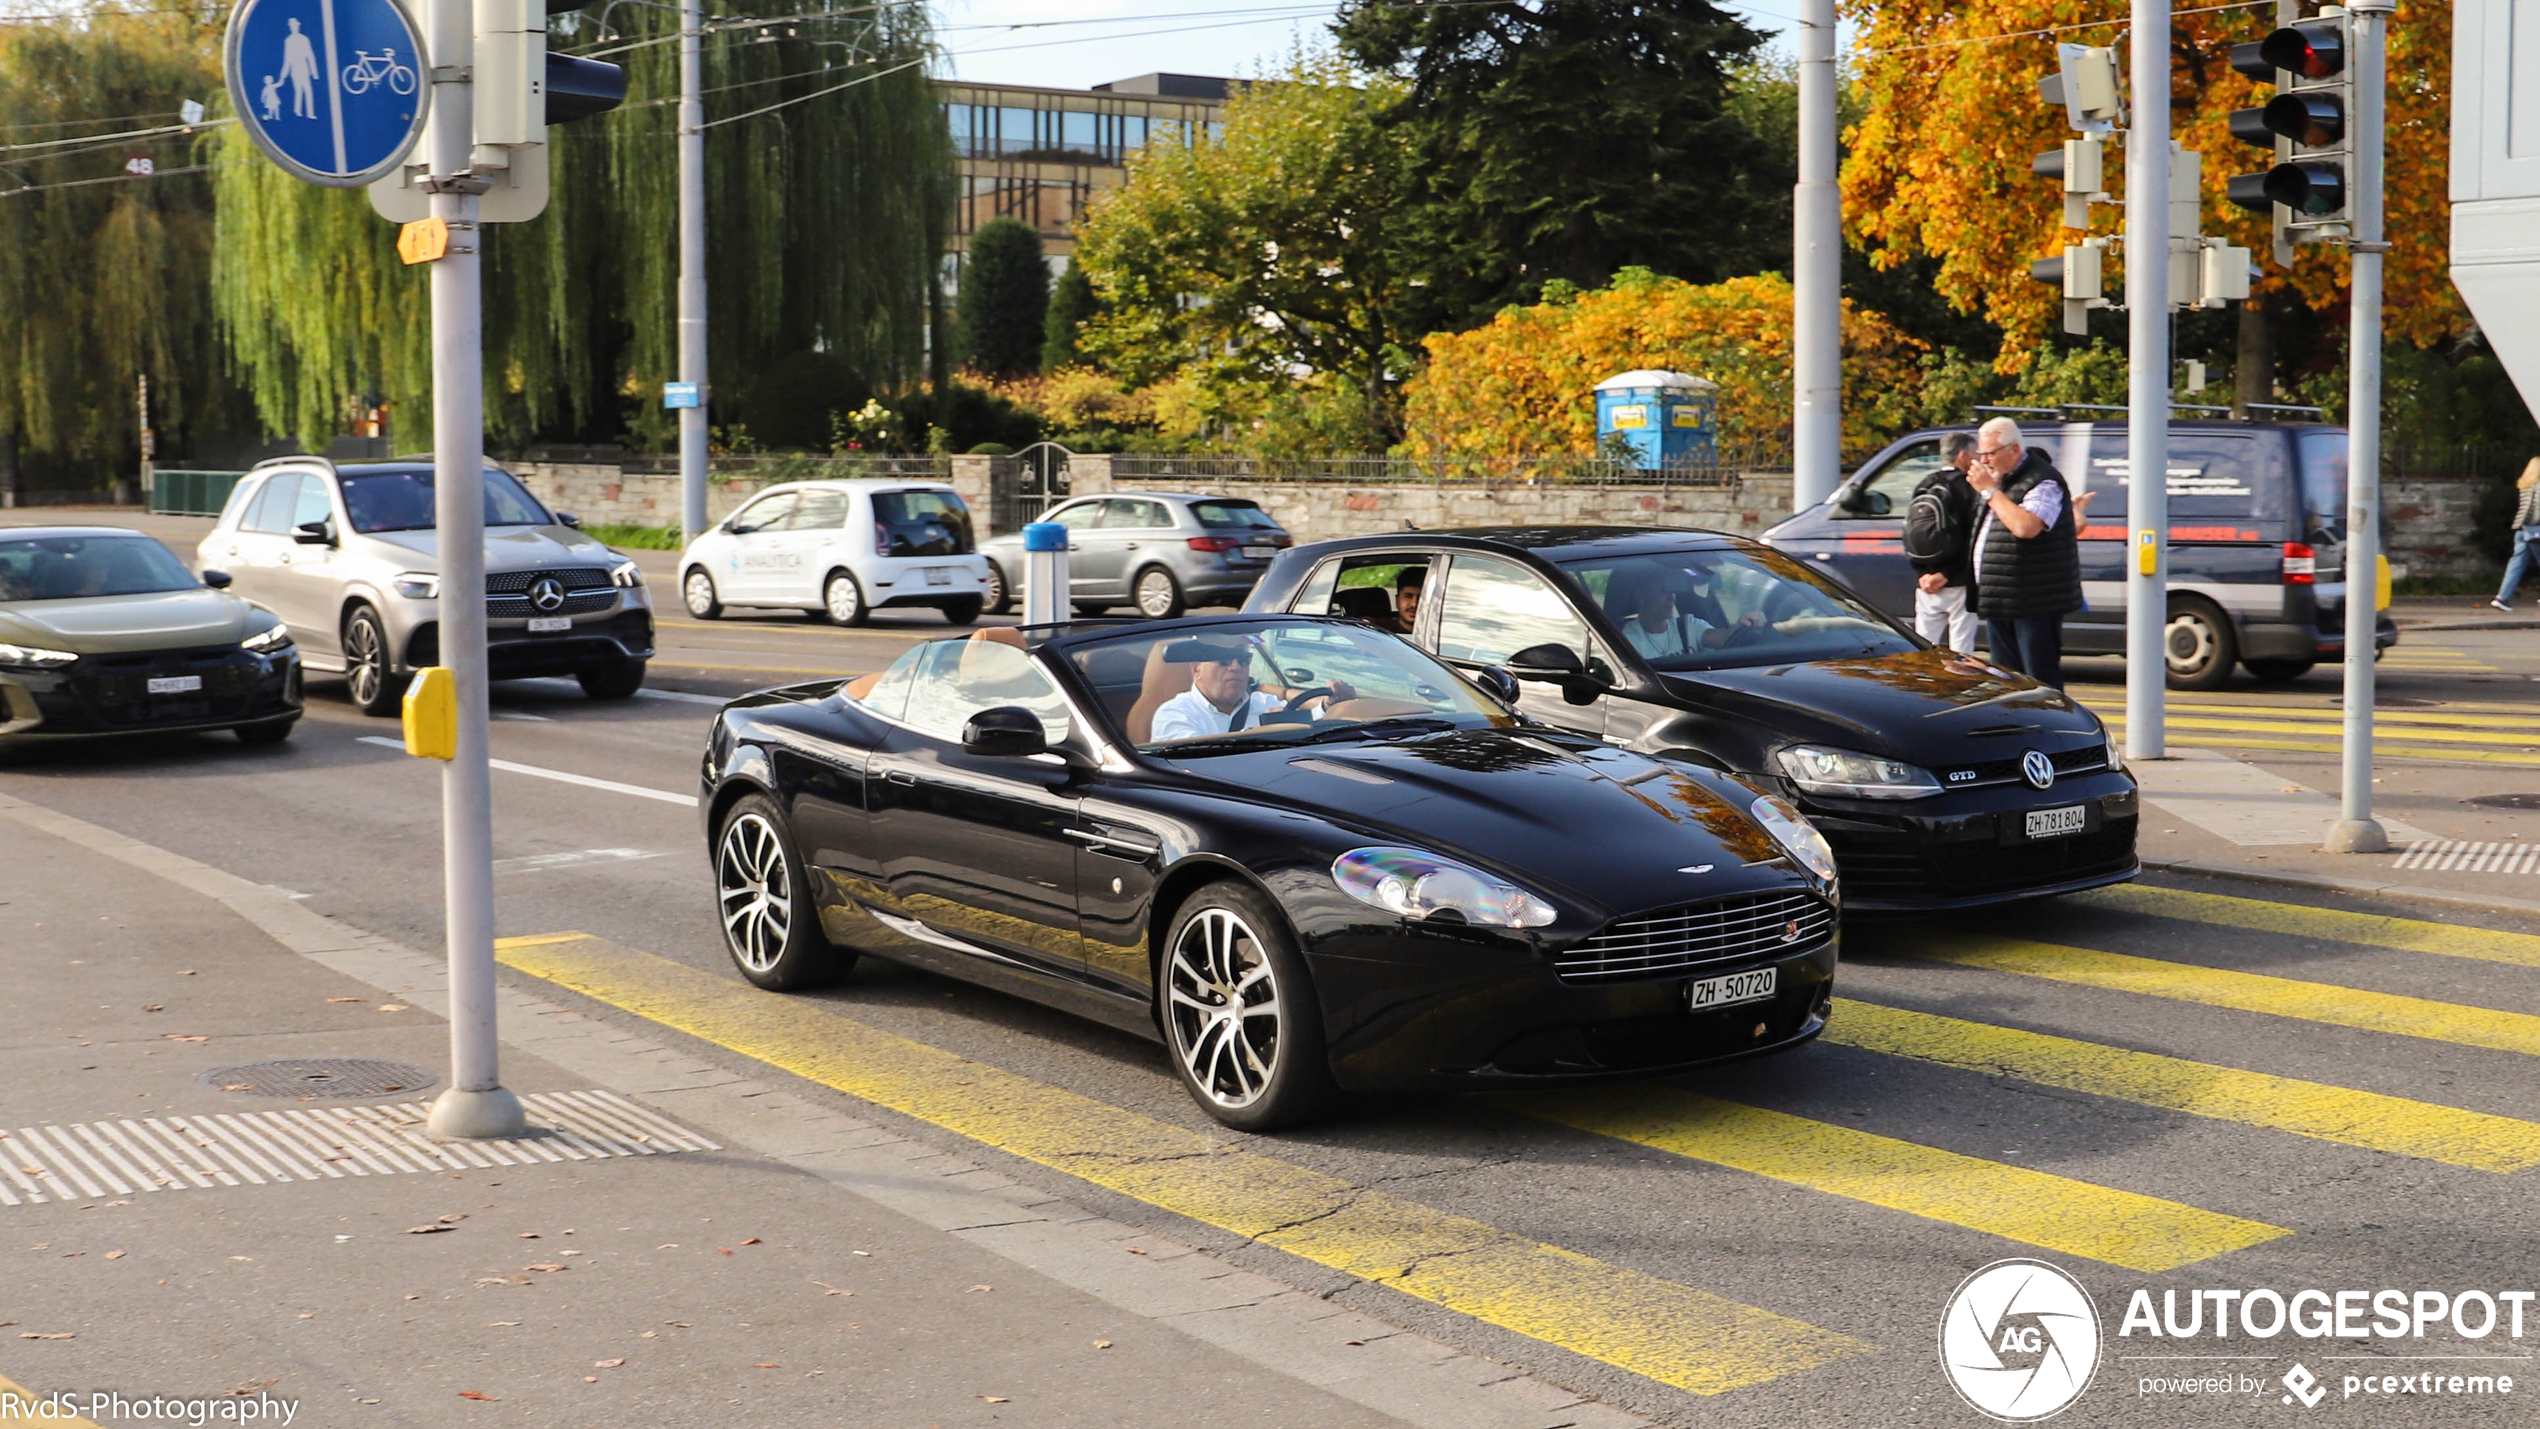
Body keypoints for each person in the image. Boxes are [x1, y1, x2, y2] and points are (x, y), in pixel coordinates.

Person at [1967, 415, 2082, 689]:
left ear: (2014, 449)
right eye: (1981, 454)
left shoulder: (2042, 481)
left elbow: (2025, 527)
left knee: (2038, 680)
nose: (1984, 461)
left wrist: (1990, 492)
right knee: (2008, 681)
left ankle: (2052, 729)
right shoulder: (2004, 482)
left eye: (1990, 453)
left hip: (2034, 601)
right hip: (2002, 599)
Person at [1148, 638, 1352, 742]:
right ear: (1196, 669)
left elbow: (1308, 721)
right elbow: (1197, 761)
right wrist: (1264, 733)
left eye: (1244, 660)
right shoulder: (1173, 713)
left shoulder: (1262, 702)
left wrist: (1328, 706)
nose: (1236, 667)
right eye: (1224, 660)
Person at [1906, 432, 1982, 653]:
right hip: (1959, 581)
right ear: (1962, 455)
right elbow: (1973, 537)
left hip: (1926, 583)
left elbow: (1912, 531)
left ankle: (1923, 684)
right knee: (1961, 648)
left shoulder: (1925, 483)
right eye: (1974, 453)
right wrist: (1947, 574)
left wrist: (1923, 574)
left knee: (1923, 646)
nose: (1977, 458)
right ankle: (1958, 685)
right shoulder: (1969, 488)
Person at [2492, 458, 2540, 611]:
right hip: (2536, 530)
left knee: (2516, 564)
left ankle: (2502, 597)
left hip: (2523, 530)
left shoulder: (2526, 484)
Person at [1391, 567, 1425, 634]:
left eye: (1422, 598)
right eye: (1408, 596)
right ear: (1397, 601)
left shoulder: (1441, 634)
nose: (1414, 604)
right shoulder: (1378, 631)